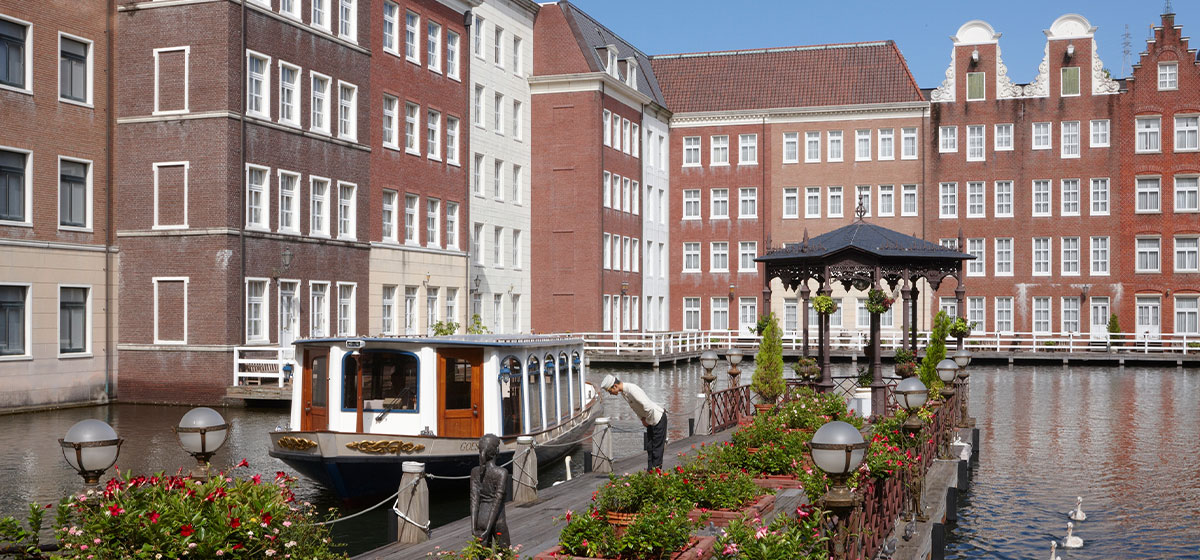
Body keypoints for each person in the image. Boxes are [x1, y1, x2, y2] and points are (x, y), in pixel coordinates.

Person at [600, 375, 667, 471]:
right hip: (650, 419)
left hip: (657, 418)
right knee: (650, 448)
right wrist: (642, 419)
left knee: (657, 450)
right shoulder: (624, 392)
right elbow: (636, 408)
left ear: (615, 386)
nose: (610, 394)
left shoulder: (632, 390)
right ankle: (651, 472)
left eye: (610, 391)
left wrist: (646, 421)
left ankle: (656, 474)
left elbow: (648, 407)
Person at [469, 434, 509, 548]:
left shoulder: (475, 472)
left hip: (481, 519)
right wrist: (488, 529)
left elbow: (474, 501)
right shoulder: (501, 473)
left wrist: (473, 528)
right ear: (497, 451)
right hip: (497, 520)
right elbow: (496, 502)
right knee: (505, 553)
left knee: (482, 554)